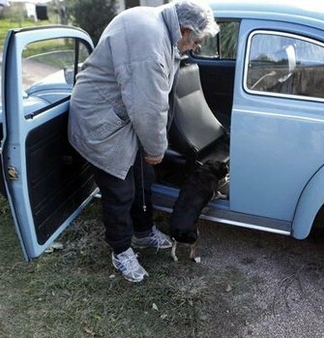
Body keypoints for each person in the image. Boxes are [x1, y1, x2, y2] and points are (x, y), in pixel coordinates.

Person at [68, 0, 219, 283]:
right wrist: (156, 148)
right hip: (102, 122)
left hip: (124, 117)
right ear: (184, 29)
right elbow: (148, 107)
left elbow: (154, 101)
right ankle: (121, 250)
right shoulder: (149, 44)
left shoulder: (164, 28)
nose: (195, 48)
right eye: (195, 42)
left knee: (144, 176)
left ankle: (143, 232)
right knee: (120, 189)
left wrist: (153, 149)